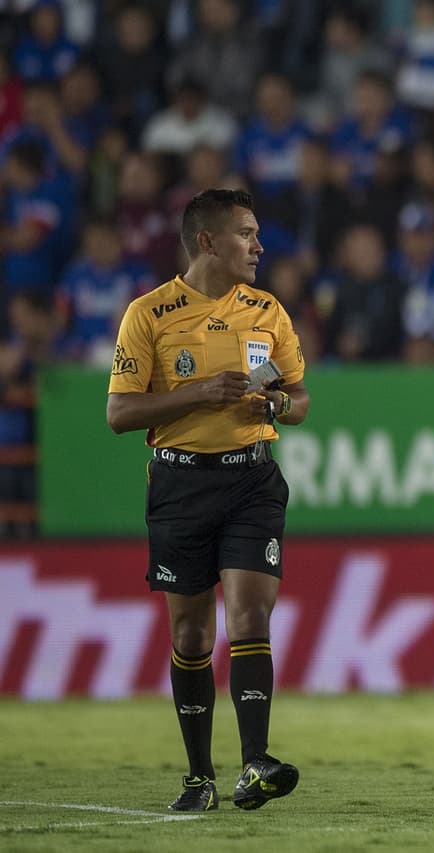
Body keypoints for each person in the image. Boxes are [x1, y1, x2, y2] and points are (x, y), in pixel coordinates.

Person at [106, 189, 310, 812]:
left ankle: (256, 763)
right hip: (180, 484)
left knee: (250, 614)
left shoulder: (266, 310)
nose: (258, 246)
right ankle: (200, 778)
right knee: (192, 633)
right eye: (246, 234)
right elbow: (119, 412)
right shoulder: (149, 313)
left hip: (251, 478)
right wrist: (198, 392)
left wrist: (275, 403)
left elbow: (300, 399)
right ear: (207, 241)